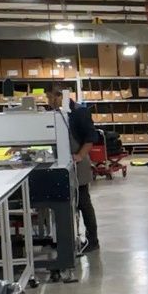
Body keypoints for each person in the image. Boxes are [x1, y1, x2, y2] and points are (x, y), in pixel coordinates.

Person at [49, 88, 99, 254]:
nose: (49, 102)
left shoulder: (79, 112)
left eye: (50, 98)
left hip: (79, 164)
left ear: (59, 96)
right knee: (68, 205)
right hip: (63, 163)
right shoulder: (57, 113)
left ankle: (93, 241)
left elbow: (91, 137)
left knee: (83, 202)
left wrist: (80, 155)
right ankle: (68, 238)